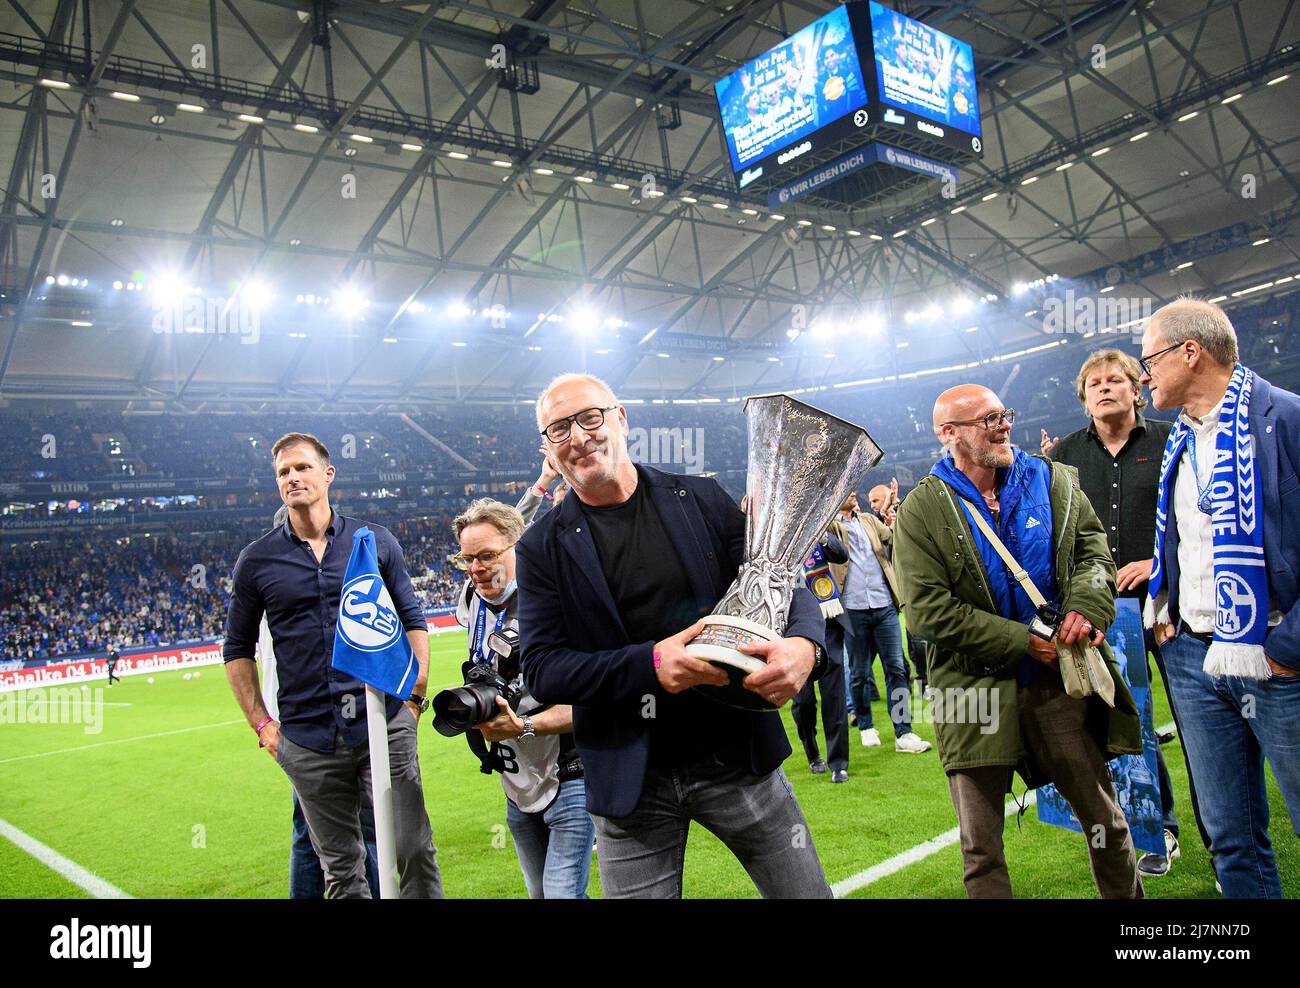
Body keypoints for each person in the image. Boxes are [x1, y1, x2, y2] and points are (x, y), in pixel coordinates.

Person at [516, 373, 832, 899]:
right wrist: (654, 664)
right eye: (558, 428)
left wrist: (806, 645)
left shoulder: (701, 499)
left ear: (621, 418)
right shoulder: (540, 548)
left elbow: (776, 574)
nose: (578, 436)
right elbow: (544, 670)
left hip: (735, 756)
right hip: (629, 780)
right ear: (548, 447)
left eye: (589, 417)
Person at [893, 385, 1143, 899]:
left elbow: (1096, 556)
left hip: (1057, 686)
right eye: (987, 420)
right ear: (950, 434)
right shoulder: (922, 508)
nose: (1003, 424)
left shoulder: (1053, 481)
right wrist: (1024, 641)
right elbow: (925, 612)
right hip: (971, 692)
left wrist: (1085, 608)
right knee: (981, 850)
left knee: (1106, 823)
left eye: (1004, 413)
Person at [222, 432, 442, 898]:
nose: (292, 477)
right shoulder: (256, 561)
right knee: (342, 871)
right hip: (306, 737)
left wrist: (415, 699)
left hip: (383, 723)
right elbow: (236, 649)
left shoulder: (373, 541)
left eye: (302, 467)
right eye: (283, 472)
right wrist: (263, 725)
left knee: (414, 851)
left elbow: (414, 620)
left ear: (327, 474)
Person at [1139, 297, 1300, 899]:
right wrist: (1169, 609)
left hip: (1279, 659)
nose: (1142, 374)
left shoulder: (1285, 418)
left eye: (1149, 358)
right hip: (1193, 660)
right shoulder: (1181, 440)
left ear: (1191, 352)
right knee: (1231, 837)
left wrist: (1288, 645)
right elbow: (1187, 537)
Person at [1045, 348, 1207, 879]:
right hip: (1103, 613)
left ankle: (1220, 836)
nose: (1105, 388)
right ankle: (1156, 828)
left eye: (1117, 379)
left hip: (1175, 603)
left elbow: (1202, 514)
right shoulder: (1063, 455)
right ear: (1084, 397)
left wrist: (1157, 561)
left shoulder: (1172, 438)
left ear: (1138, 388)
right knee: (1127, 723)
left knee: (1199, 722)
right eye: (1094, 383)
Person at [450, 464, 594, 900]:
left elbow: (593, 702)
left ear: (519, 547)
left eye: (487, 556)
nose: (476, 567)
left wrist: (526, 725)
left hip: (570, 773)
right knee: (541, 895)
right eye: (467, 558)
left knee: (560, 895)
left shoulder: (554, 601)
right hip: (516, 784)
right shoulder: (470, 601)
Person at [257, 506, 381, 900]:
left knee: (312, 828)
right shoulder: (290, 595)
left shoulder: (273, 591)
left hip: (300, 727)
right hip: (312, 730)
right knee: (354, 828)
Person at [838, 491, 931, 753]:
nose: (854, 492)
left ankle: (905, 732)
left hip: (884, 605)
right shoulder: (832, 526)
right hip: (853, 608)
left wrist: (895, 512)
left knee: (897, 670)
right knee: (859, 673)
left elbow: (894, 536)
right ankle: (866, 725)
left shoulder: (867, 519)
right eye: (848, 490)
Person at [792, 526, 852, 782]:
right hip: (792, 627)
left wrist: (821, 534)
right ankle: (812, 751)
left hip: (826, 618)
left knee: (833, 692)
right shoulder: (775, 541)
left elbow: (840, 555)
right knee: (803, 700)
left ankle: (838, 762)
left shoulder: (814, 530)